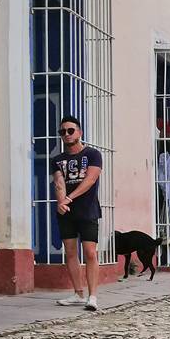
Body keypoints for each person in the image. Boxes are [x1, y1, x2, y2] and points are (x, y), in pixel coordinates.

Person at [52, 115, 103, 311]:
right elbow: (59, 182)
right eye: (62, 131)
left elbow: (90, 180)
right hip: (67, 213)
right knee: (71, 253)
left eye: (70, 130)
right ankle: (78, 293)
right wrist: (61, 202)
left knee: (90, 253)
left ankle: (92, 296)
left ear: (79, 132)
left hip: (88, 210)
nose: (66, 134)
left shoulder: (93, 154)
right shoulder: (58, 159)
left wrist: (69, 199)